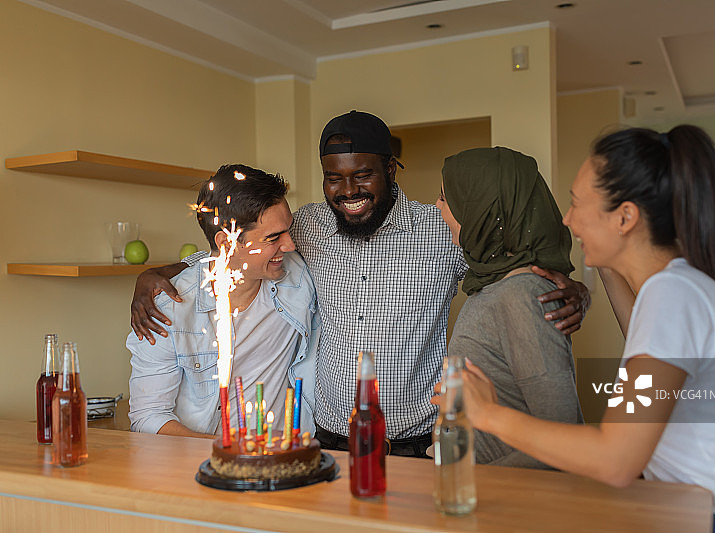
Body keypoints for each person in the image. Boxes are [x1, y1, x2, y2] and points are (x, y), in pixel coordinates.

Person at [129, 111, 590, 456]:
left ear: (391, 170)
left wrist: (577, 291)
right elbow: (234, 250)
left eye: (363, 174)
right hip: (327, 438)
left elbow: (511, 267)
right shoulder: (306, 227)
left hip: (412, 440)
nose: (348, 191)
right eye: (334, 178)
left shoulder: (443, 230)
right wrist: (157, 274)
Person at [444, 126, 715, 531]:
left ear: (625, 217)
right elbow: (646, 345)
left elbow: (616, 459)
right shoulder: (673, 289)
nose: (566, 218)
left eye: (578, 203)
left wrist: (489, 415)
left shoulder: (673, 296)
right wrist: (605, 268)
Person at [127, 164, 318, 438]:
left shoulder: (297, 277)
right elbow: (148, 416)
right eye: (273, 238)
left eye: (288, 230)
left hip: (285, 459)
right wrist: (228, 452)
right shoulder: (167, 310)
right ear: (227, 244)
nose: (290, 245)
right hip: (199, 464)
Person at [435, 146, 583, 468]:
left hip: (500, 499)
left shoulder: (521, 295)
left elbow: (562, 439)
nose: (437, 206)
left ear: (482, 211)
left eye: (446, 198)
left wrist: (474, 482)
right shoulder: (494, 286)